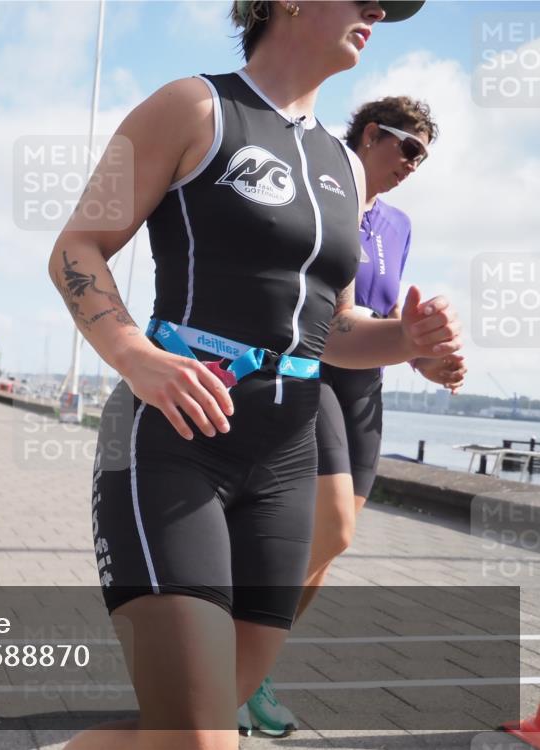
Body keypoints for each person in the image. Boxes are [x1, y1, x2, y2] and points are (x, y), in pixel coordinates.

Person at [46, 2, 461, 748]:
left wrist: (409, 339)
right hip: (175, 442)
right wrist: (136, 355)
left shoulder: (342, 166)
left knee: (187, 732)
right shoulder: (192, 106)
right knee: (201, 738)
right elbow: (77, 245)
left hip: (284, 461)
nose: (376, 10)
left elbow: (331, 331)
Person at [242, 96, 467, 735]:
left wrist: (430, 360)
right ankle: (230, 655)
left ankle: (252, 666)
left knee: (323, 553)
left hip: (364, 392)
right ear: (372, 135)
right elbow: (336, 317)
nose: (416, 165)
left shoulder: (397, 224)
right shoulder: (322, 193)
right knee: (332, 528)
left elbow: (388, 326)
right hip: (308, 374)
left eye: (425, 156)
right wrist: (409, 335)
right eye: (410, 149)